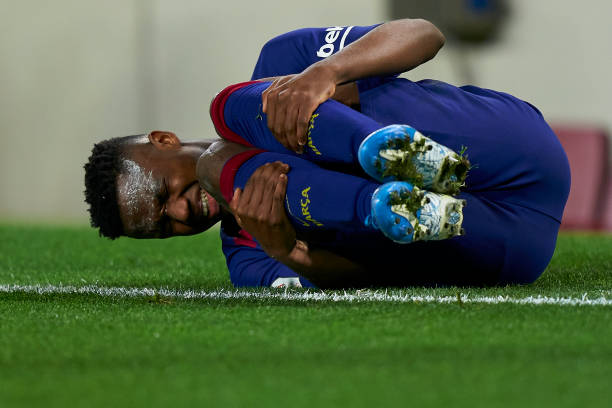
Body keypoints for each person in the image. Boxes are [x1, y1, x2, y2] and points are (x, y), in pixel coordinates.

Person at [83, 19, 570, 289]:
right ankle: (391, 196)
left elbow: (425, 33)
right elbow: (365, 282)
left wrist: (328, 73)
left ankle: (388, 151)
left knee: (228, 129)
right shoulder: (250, 261)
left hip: (508, 149)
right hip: (501, 245)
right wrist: (289, 251)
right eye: (164, 224)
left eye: (162, 193)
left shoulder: (279, 62)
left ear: (163, 139)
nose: (181, 210)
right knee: (231, 158)